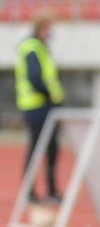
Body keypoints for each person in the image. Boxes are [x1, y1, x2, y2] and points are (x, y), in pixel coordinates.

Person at [16, 14, 62, 203]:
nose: (51, 32)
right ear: (42, 27)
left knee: (52, 148)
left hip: (46, 105)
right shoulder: (32, 48)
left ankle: (51, 191)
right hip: (37, 106)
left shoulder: (41, 47)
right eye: (49, 27)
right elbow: (35, 77)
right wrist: (48, 94)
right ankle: (30, 192)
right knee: (37, 148)